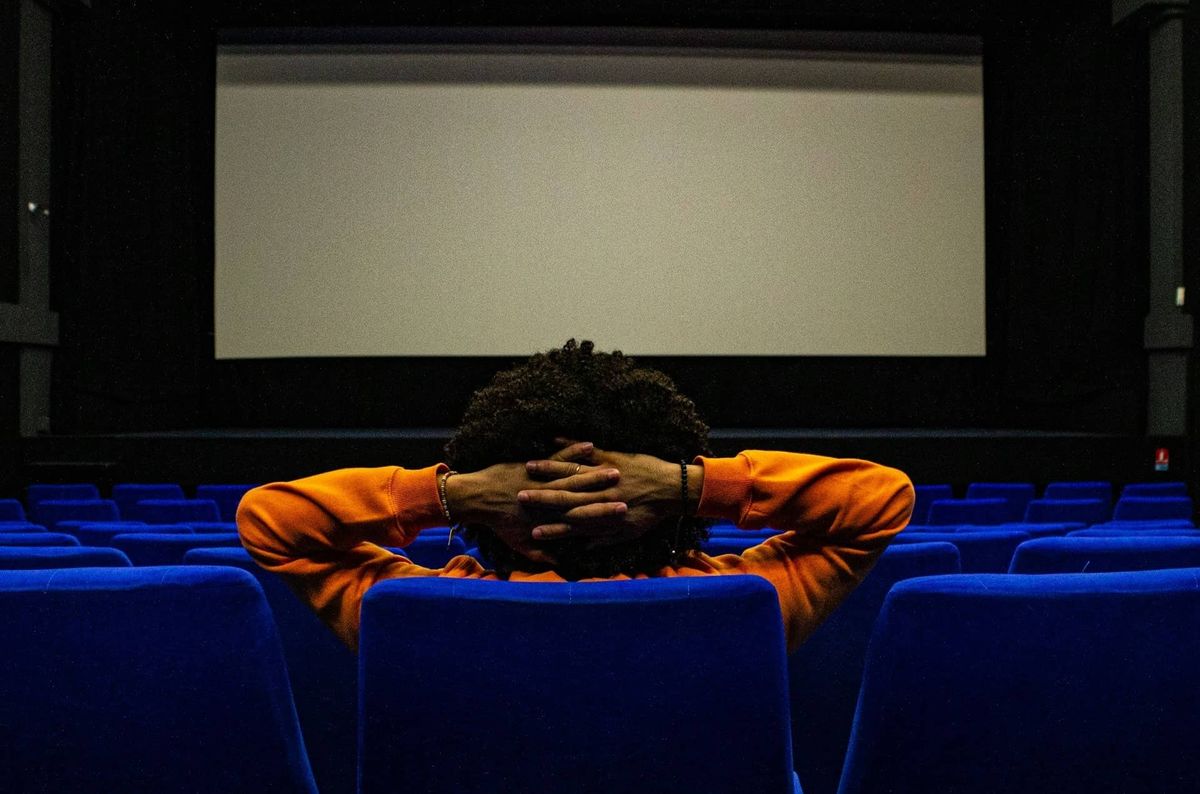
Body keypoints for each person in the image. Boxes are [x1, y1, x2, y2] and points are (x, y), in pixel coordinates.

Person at [237, 339, 913, 652]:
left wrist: (451, 495)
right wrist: (688, 485)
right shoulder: (744, 601)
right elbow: (882, 500)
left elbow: (268, 521)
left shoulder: (415, 612)